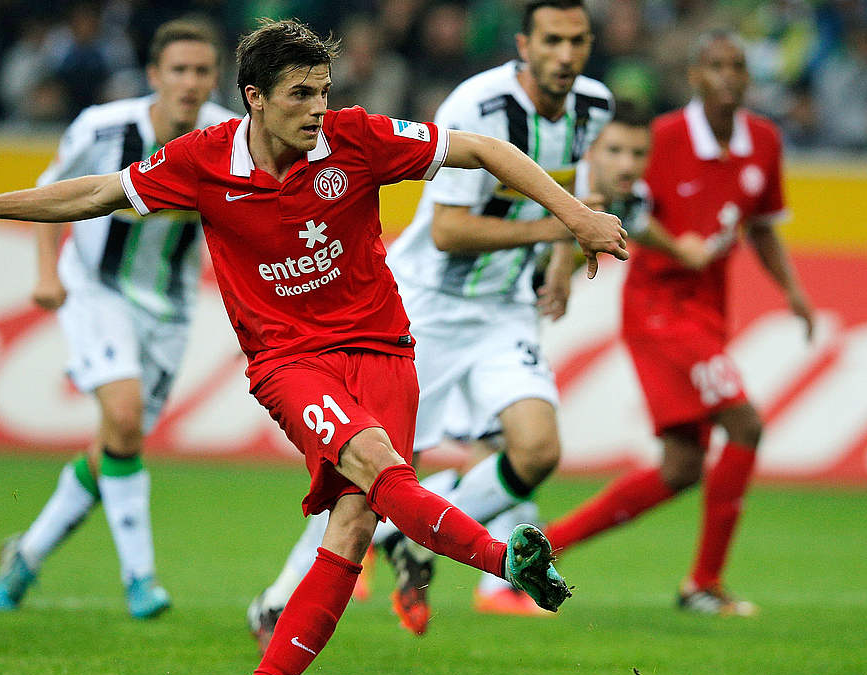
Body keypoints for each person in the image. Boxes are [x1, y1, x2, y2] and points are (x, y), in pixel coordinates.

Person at [0, 19, 627, 675]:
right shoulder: (202, 160)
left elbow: (479, 148)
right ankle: (502, 558)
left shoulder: (355, 138)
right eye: (299, 94)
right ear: (255, 98)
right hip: (291, 361)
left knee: (354, 525)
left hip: (384, 348)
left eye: (323, 91)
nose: (317, 108)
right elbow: (98, 192)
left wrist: (575, 214)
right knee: (380, 470)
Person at [247, 0, 616, 641]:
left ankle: (405, 538)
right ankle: (280, 599)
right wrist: (559, 225)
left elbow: (570, 183)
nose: (566, 55)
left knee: (537, 449)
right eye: (552, 40)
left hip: (504, 310)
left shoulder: (594, 106)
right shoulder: (479, 105)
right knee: (369, 465)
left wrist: (561, 255)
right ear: (525, 44)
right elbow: (446, 231)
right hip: (428, 308)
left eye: (578, 40)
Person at [543, 31, 816, 616]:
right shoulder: (659, 138)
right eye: (715, 65)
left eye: (737, 66)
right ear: (693, 75)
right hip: (658, 310)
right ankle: (704, 585)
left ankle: (545, 548)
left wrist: (792, 291)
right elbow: (608, 201)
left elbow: (763, 225)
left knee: (682, 466)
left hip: (709, 311)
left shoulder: (763, 141)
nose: (727, 76)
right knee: (745, 423)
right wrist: (568, 266)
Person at [0, 18, 238, 619]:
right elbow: (54, 195)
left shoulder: (230, 137)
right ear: (154, 76)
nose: (190, 82)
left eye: (202, 71)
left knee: (116, 444)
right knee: (122, 418)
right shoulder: (102, 128)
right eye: (179, 70)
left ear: (215, 78)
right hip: (96, 288)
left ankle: (27, 555)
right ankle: (140, 579)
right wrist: (47, 274)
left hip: (169, 310)